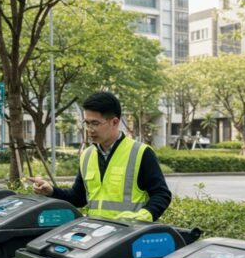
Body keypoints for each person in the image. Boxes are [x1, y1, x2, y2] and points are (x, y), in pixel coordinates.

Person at [29, 91, 171, 221]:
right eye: (87, 123)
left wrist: (140, 217)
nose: (90, 130)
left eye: (95, 123)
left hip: (128, 236)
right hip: (97, 237)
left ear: (114, 122)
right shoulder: (87, 155)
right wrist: (51, 191)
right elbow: (78, 198)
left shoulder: (140, 153)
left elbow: (161, 195)